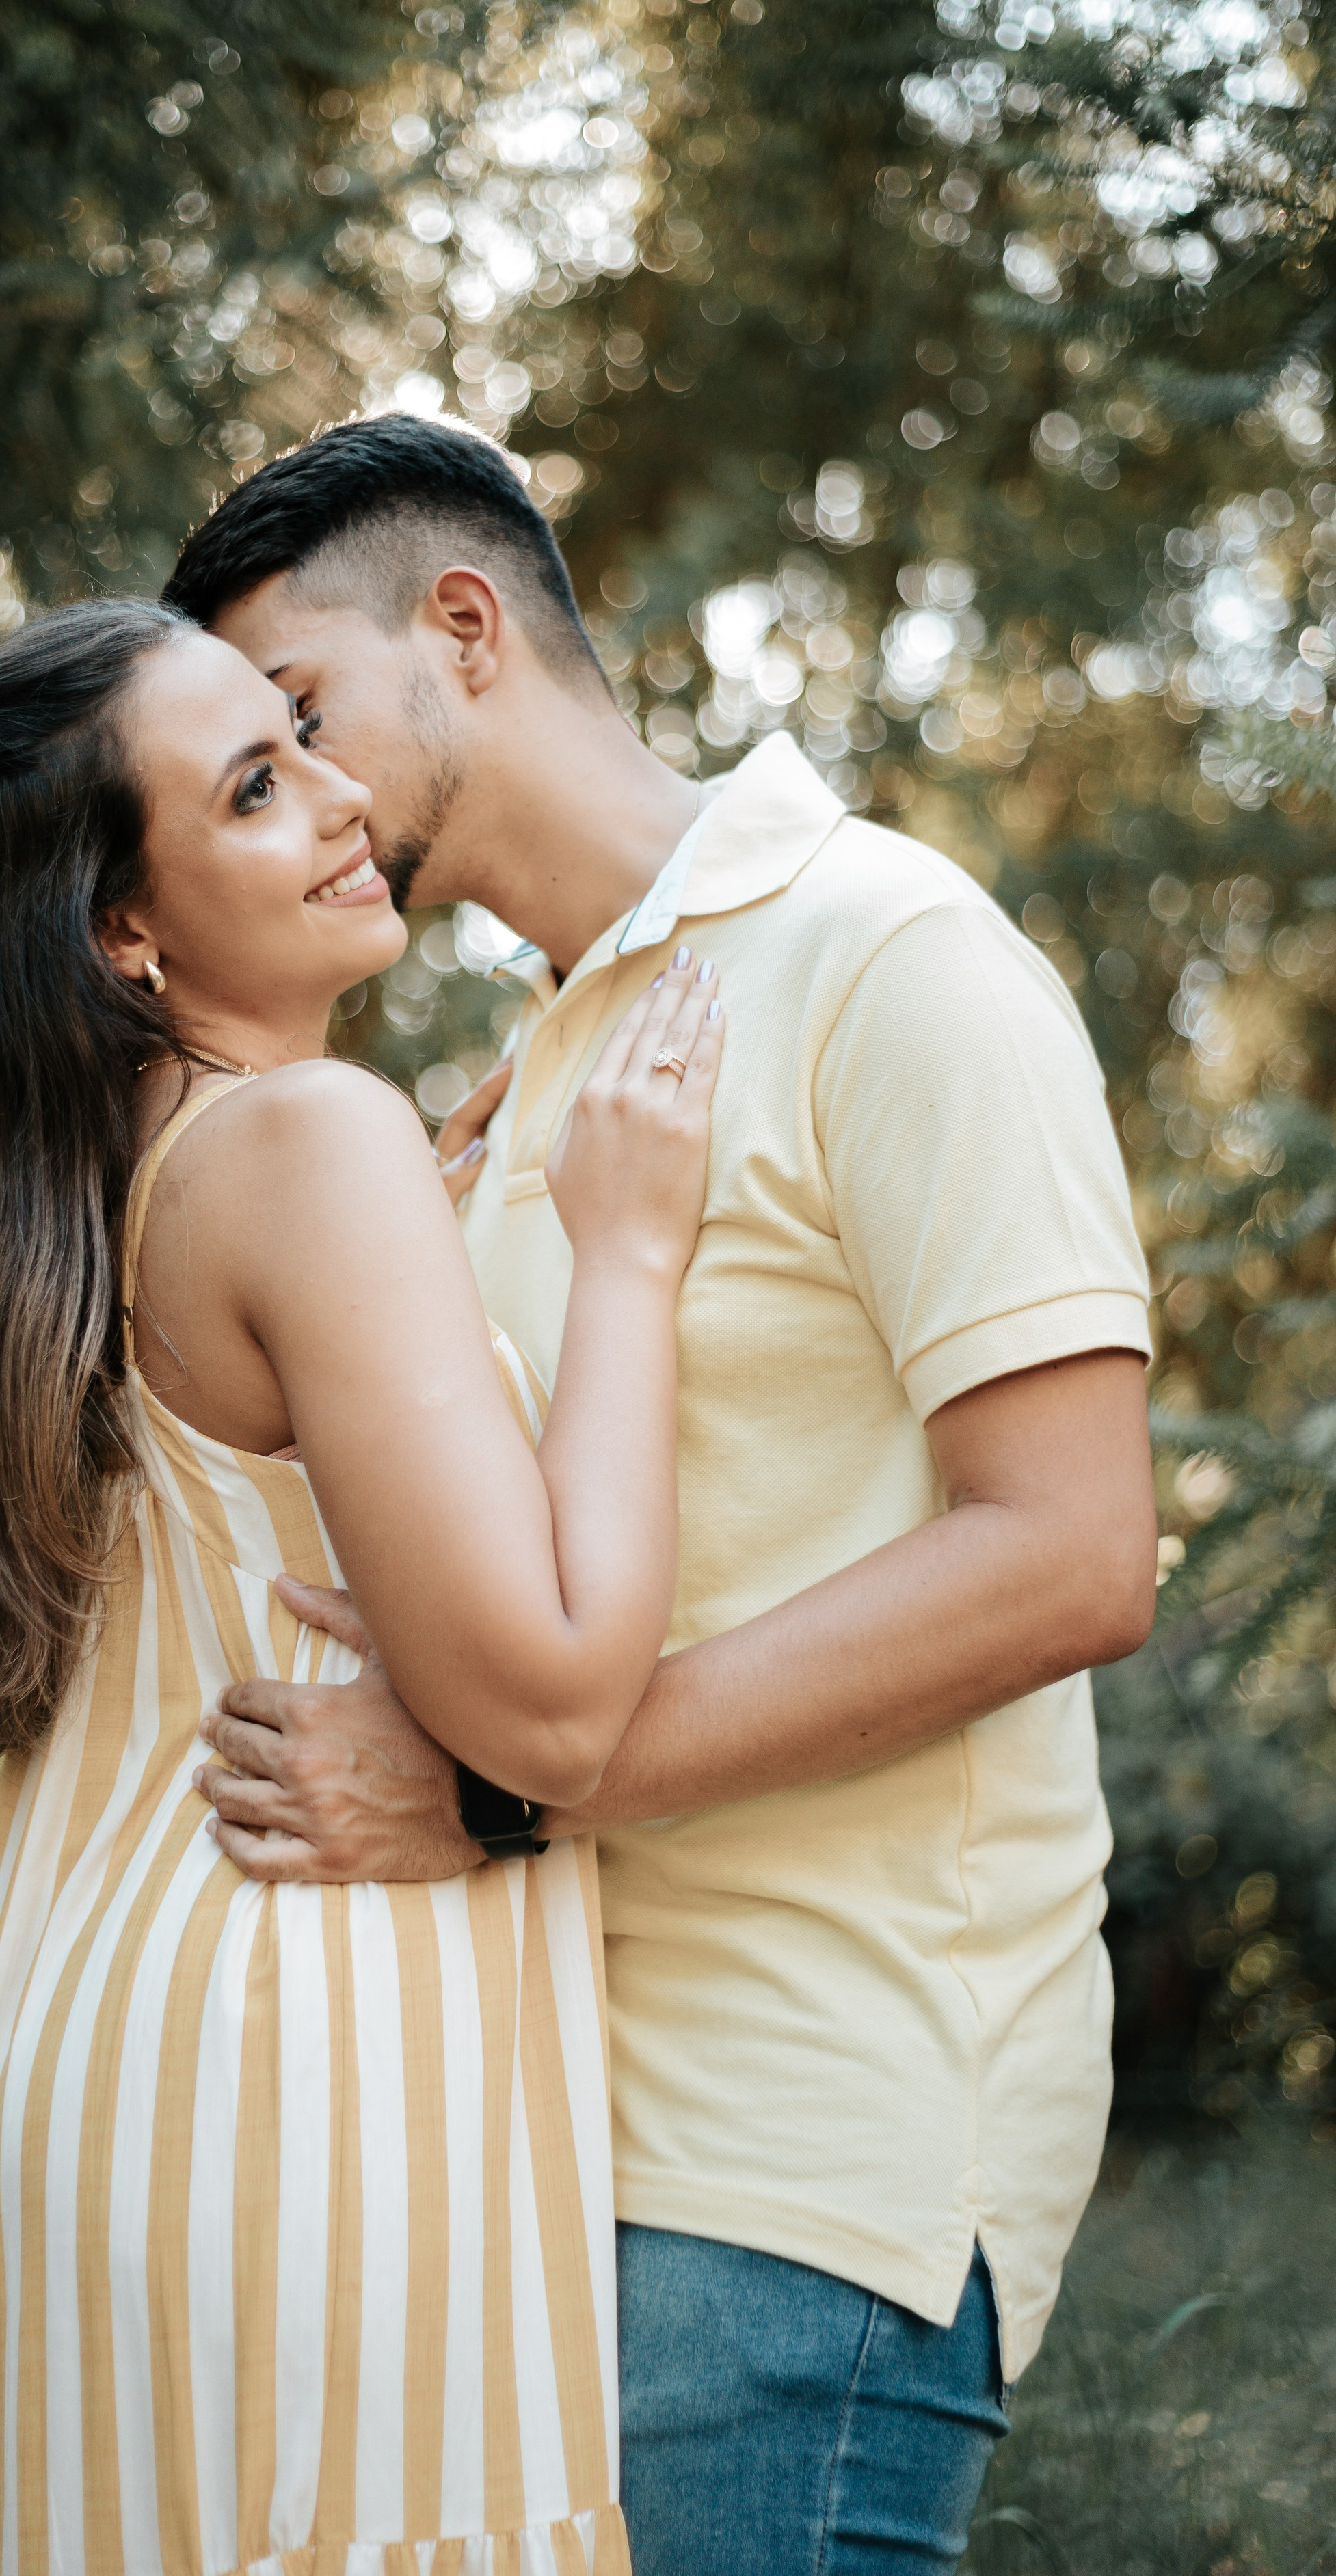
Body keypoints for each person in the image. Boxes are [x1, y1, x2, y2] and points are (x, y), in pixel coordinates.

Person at [165, 414, 1162, 2576]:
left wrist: (510, 1790)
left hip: (793, 2174)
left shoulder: (888, 949)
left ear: (465, 628)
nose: (303, 793)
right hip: (534, 2136)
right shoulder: (519, 1085)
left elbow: (1075, 1551)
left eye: (304, 713)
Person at [0, 593, 729, 2575]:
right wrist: (629, 1256)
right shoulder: (308, 1141)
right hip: (305, 2053)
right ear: (122, 934)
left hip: (89, 2042)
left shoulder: (65, 1202)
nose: (338, 797)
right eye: (249, 788)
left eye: (301, 737)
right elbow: (557, 1702)